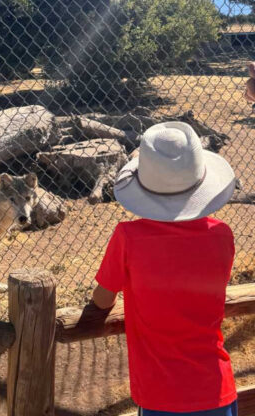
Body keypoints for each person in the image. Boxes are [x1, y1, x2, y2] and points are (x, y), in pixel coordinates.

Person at [92, 121, 238, 415]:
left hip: (161, 393)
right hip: (217, 387)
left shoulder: (128, 238)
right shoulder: (222, 234)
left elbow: (102, 299)